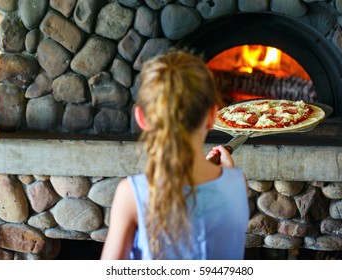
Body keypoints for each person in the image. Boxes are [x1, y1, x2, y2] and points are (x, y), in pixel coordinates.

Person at [101, 51, 249, 260]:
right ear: (212, 117)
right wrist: (228, 172)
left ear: (142, 119)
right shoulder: (237, 183)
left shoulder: (131, 195)